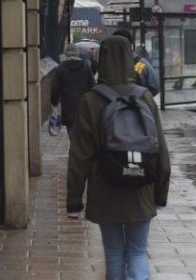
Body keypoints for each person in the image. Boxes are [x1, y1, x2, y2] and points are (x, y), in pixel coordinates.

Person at [67, 35, 171, 280]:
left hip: (106, 188)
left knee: (113, 252)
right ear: (129, 58)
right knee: (137, 252)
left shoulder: (91, 101)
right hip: (141, 187)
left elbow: (79, 156)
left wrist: (74, 201)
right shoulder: (145, 98)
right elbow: (161, 150)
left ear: (100, 59)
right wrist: (160, 194)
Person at [50, 44, 96, 140]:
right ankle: (79, 150)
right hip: (83, 105)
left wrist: (54, 101)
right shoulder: (86, 67)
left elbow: (55, 87)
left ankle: (74, 148)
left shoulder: (61, 68)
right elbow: (93, 86)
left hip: (68, 106)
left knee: (71, 130)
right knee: (82, 132)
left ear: (66, 53)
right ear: (77, 53)